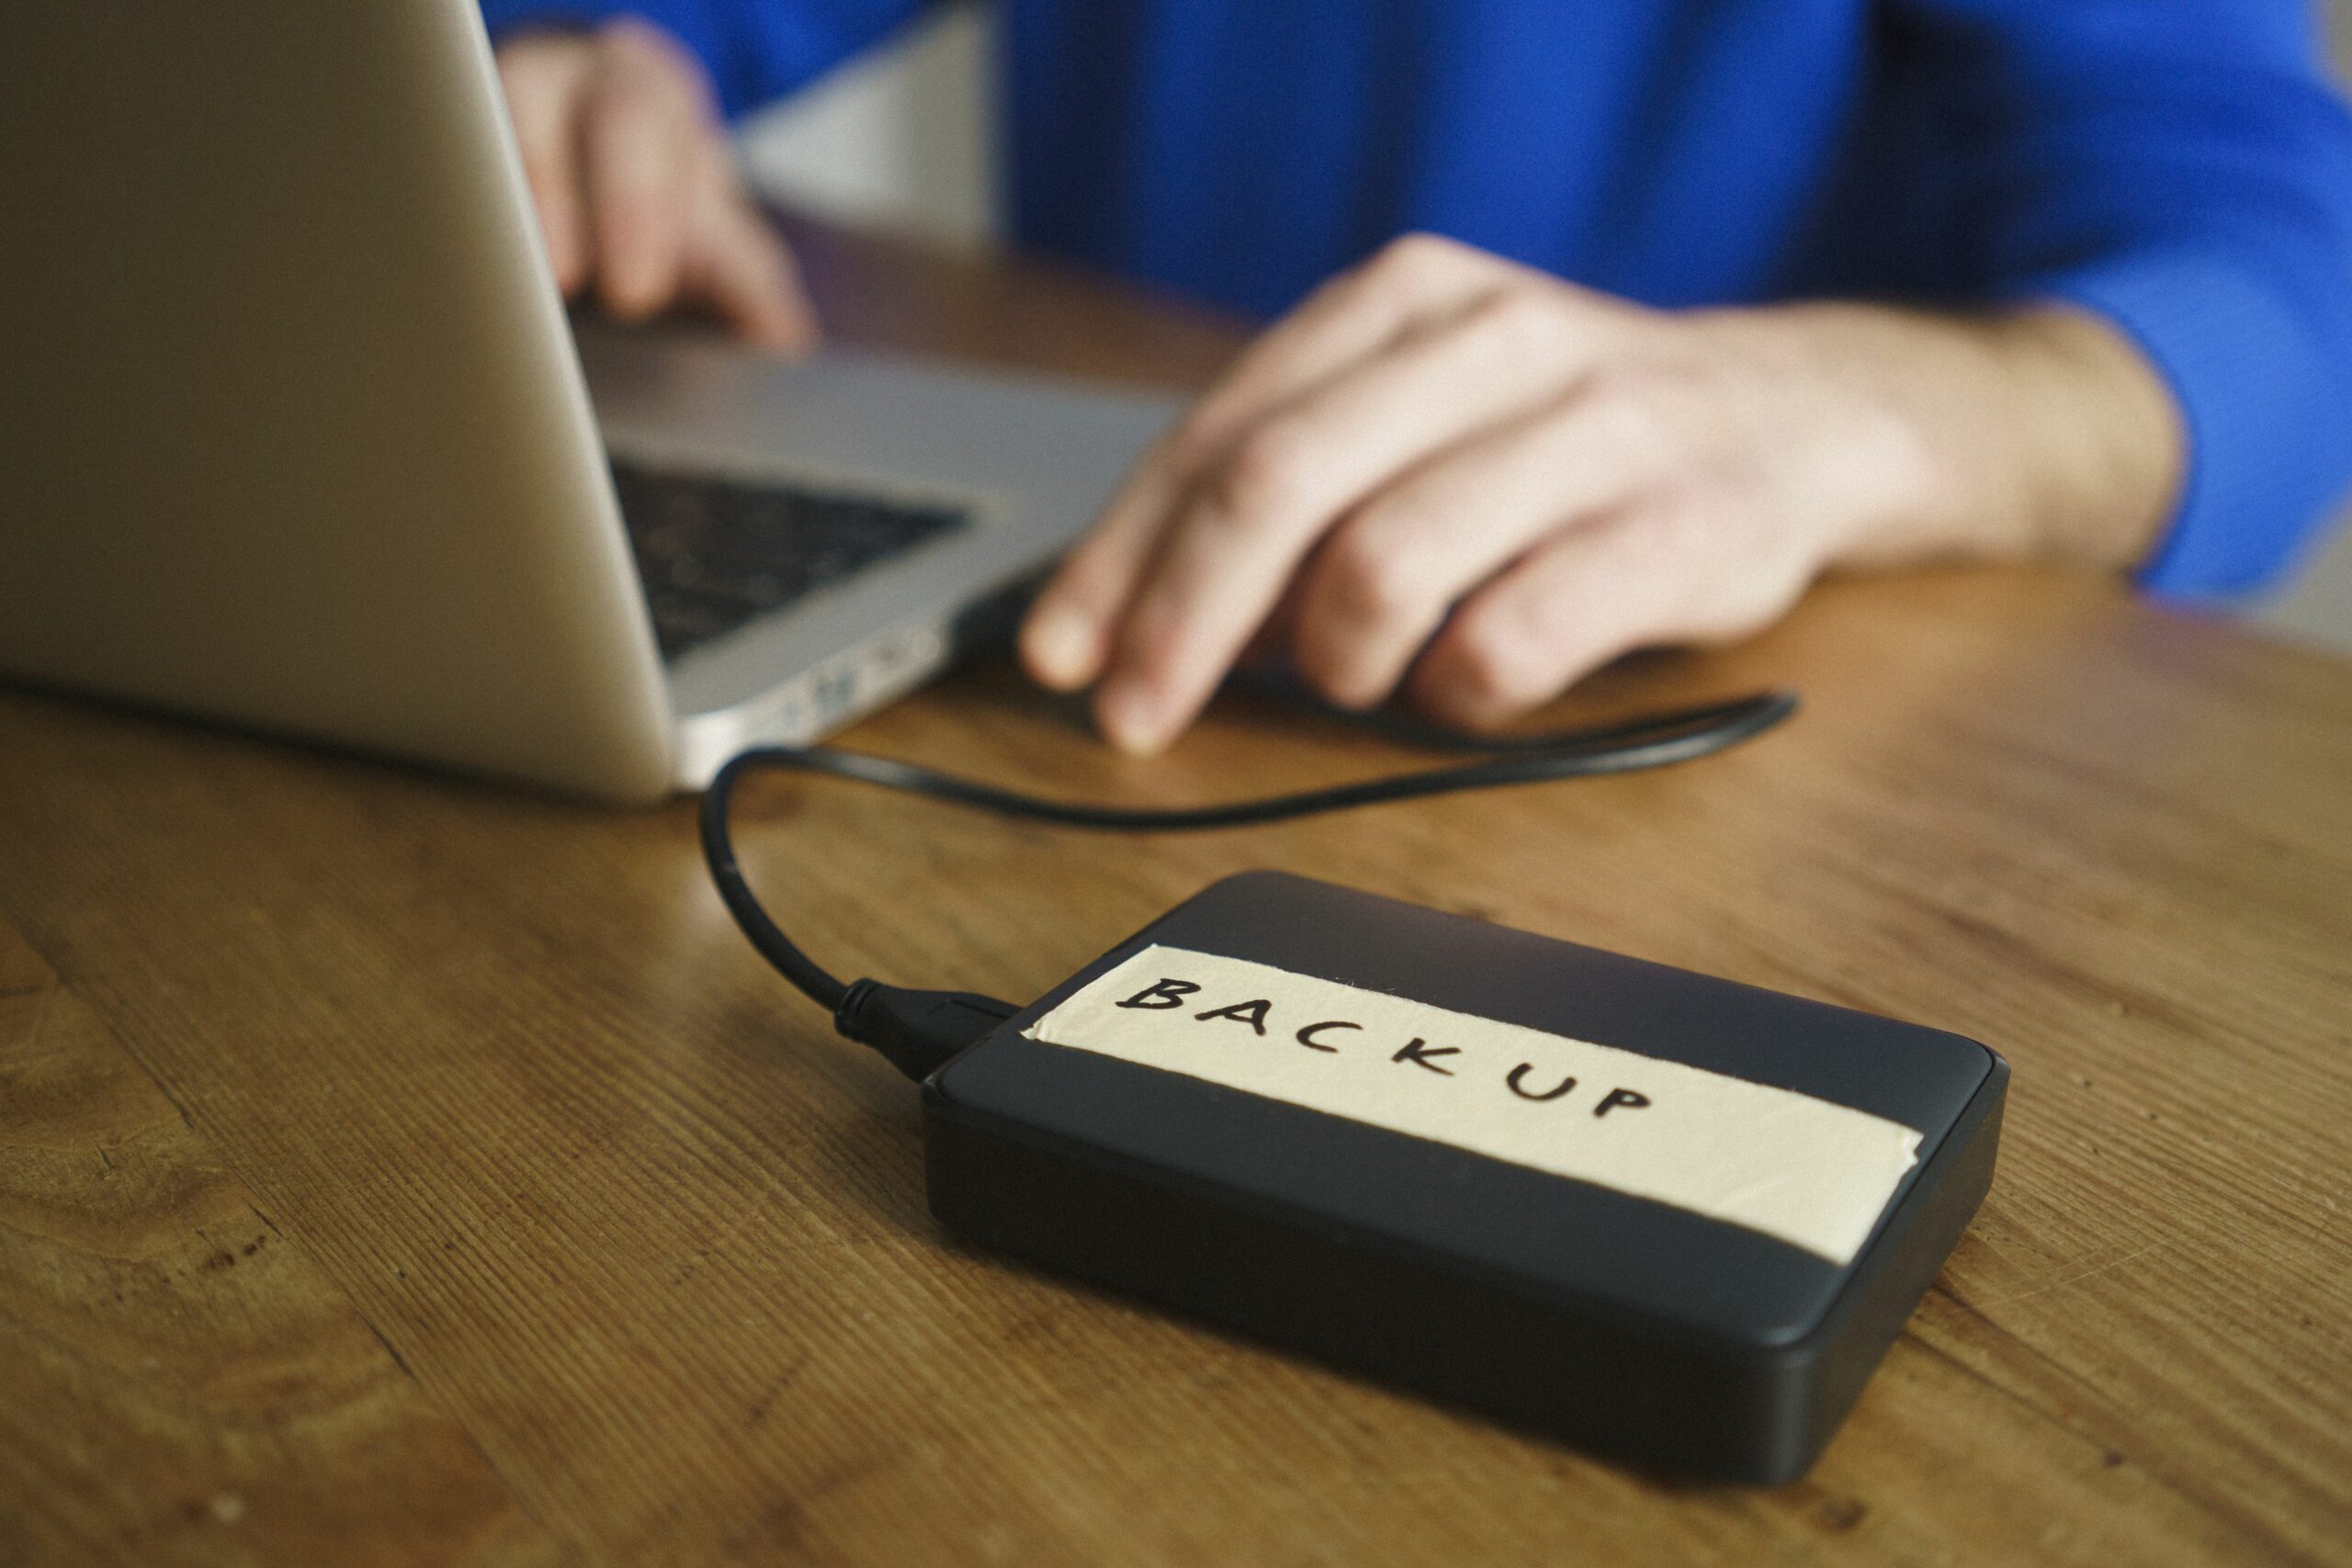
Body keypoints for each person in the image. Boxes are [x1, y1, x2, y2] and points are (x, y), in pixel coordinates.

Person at [482, 2, 2352, 753]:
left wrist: (1842, 412)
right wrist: (584, 61)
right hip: (1060, 690)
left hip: (1696, 781)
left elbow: (2282, 289)